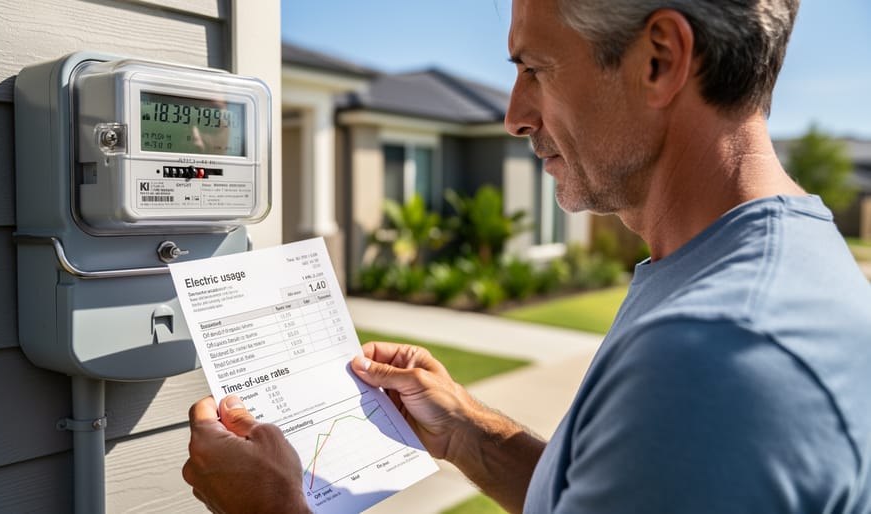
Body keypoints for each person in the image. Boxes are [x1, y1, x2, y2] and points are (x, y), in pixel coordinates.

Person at [183, 0, 871, 512]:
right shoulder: (752, 268)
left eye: (535, 69)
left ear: (659, 59)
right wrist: (466, 433)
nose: (515, 115)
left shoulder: (716, 354)